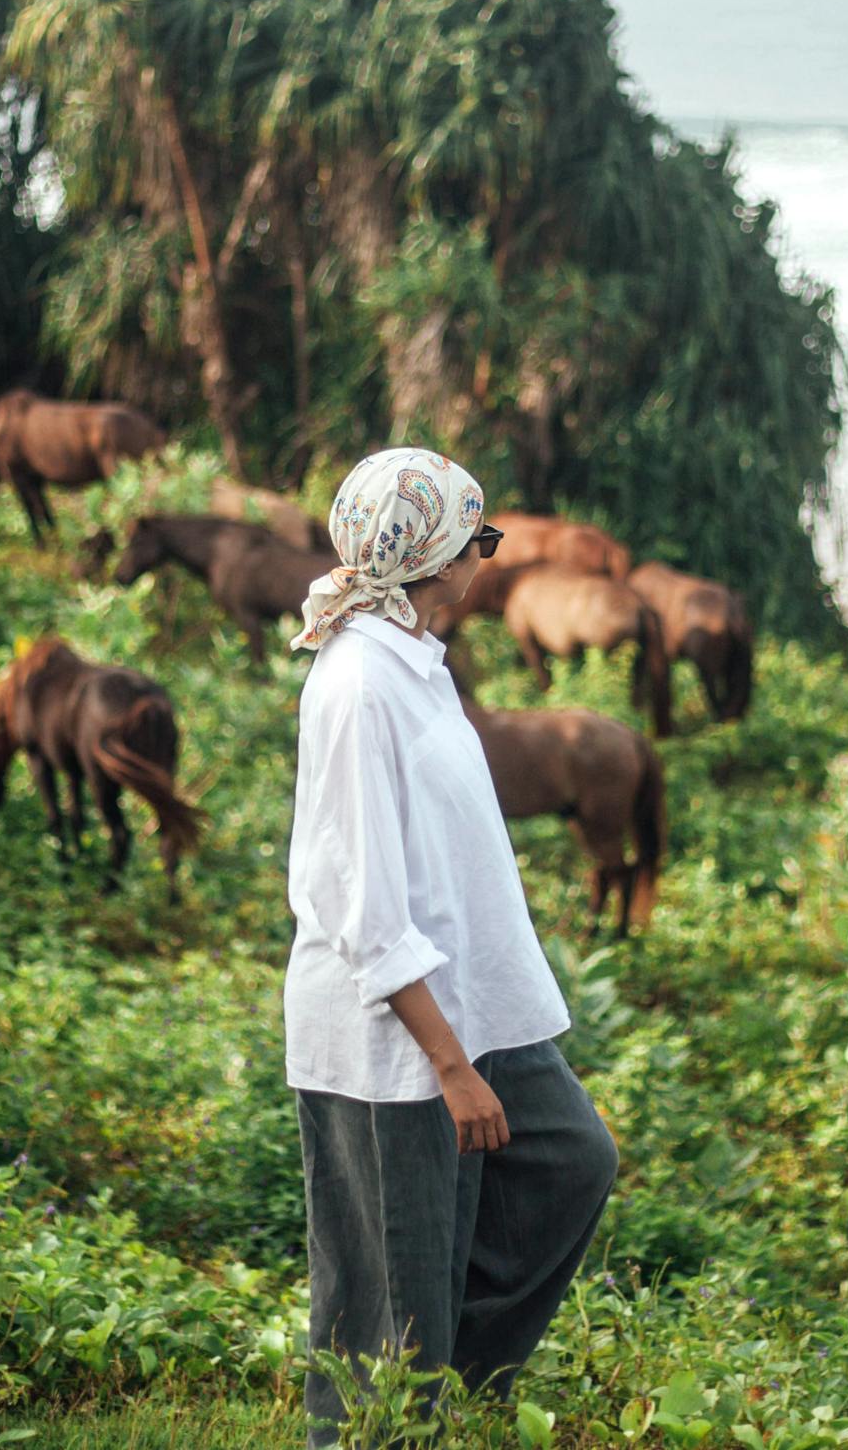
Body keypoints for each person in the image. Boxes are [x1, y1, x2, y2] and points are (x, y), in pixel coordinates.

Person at [284, 446, 621, 1447]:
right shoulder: (357, 688)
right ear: (434, 558)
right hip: (395, 1039)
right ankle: (385, 1417)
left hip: (476, 1007)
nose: (489, 558)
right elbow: (365, 909)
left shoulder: (414, 663)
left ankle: (444, 1383)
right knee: (388, 1288)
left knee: (572, 1163)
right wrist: (448, 1065)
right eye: (481, 539)